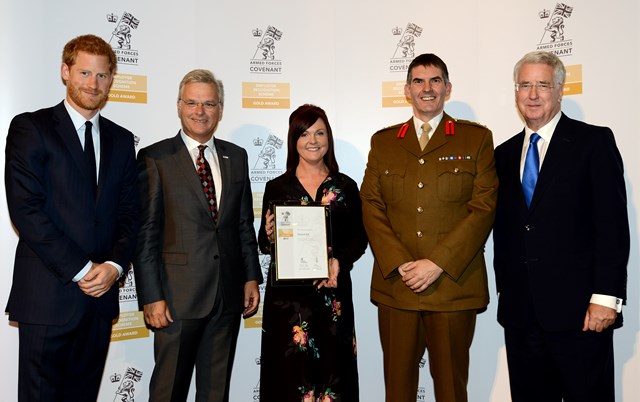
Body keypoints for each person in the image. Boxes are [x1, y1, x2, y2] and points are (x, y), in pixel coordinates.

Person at [4, 34, 140, 401]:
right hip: (48, 297)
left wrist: (113, 265)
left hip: (98, 304)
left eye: (101, 75)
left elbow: (130, 214)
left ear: (111, 79)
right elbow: (26, 211)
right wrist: (83, 270)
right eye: (83, 73)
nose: (92, 84)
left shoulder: (122, 140)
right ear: (65, 71)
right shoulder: (30, 128)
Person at [360, 53, 498, 402]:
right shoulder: (384, 142)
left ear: (447, 88)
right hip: (398, 286)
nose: (427, 88)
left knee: (452, 390)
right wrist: (401, 263)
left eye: (435, 80)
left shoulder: (475, 139)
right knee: (398, 390)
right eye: (419, 81)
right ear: (407, 90)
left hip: (452, 286)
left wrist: (437, 263)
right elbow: (371, 206)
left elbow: (483, 209)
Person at [493, 51, 630, 402]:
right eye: (525, 85)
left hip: (581, 314)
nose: (533, 94)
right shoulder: (502, 155)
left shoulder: (593, 142)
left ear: (559, 89)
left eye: (542, 85)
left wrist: (605, 299)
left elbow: (612, 226)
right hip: (521, 315)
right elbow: (507, 231)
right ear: (515, 92)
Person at [134, 69, 261, 402]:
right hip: (176, 299)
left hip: (227, 297)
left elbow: (243, 224)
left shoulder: (237, 157)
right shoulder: (155, 158)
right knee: (168, 391)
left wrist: (250, 278)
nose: (200, 112)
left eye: (208, 104)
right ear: (178, 105)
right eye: (192, 103)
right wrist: (151, 295)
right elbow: (146, 232)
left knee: (215, 393)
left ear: (219, 109)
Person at [258, 104, 368, 401]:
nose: (313, 140)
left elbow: (360, 238)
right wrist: (269, 234)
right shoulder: (277, 187)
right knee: (289, 375)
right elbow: (263, 243)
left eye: (320, 132)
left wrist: (339, 260)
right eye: (304, 133)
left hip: (332, 294)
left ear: (328, 138)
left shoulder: (345, 186)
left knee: (335, 371)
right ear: (294, 140)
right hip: (288, 300)